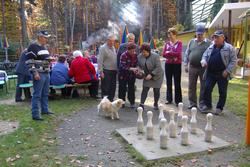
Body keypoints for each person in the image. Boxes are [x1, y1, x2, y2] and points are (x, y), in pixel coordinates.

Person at [200, 30, 237, 115]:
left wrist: (227, 71)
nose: (215, 39)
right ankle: (208, 106)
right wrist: (203, 61)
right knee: (207, 88)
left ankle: (219, 108)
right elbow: (204, 56)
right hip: (210, 72)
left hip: (222, 74)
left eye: (217, 37)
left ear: (223, 37)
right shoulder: (211, 46)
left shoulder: (229, 48)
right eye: (214, 37)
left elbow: (234, 61)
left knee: (222, 91)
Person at [26, 30, 54, 121]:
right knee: (37, 94)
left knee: (45, 93)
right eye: (45, 37)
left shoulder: (44, 47)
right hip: (39, 73)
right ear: (40, 37)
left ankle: (45, 110)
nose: (46, 39)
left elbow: (44, 60)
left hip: (46, 73)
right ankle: (35, 114)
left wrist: (49, 60)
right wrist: (35, 72)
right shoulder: (32, 46)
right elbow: (30, 61)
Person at [184, 23, 211, 110]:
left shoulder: (209, 43)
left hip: (203, 68)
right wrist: (185, 64)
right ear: (196, 33)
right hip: (192, 67)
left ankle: (202, 104)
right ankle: (192, 103)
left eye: (201, 34)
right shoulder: (191, 42)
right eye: (198, 34)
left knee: (204, 86)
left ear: (204, 33)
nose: (199, 36)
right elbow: (187, 53)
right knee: (191, 85)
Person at [137, 43, 164, 110]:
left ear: (148, 51)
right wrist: (139, 71)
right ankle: (141, 104)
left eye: (144, 52)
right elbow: (138, 65)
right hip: (146, 75)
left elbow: (158, 67)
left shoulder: (155, 56)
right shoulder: (139, 57)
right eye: (142, 52)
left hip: (157, 75)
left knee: (156, 90)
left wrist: (151, 74)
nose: (143, 54)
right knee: (145, 89)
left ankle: (155, 103)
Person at [162, 27, 182, 106]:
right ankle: (169, 99)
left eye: (171, 35)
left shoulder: (179, 43)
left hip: (177, 65)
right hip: (168, 64)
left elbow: (178, 53)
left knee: (177, 82)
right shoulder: (167, 44)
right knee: (168, 82)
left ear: (175, 35)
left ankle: (178, 100)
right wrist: (172, 54)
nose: (169, 37)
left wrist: (169, 53)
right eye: (168, 35)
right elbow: (163, 54)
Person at [98, 35, 117, 101]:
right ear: (107, 40)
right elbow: (100, 60)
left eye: (113, 41)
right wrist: (101, 71)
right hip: (106, 70)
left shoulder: (113, 47)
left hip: (114, 70)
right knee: (106, 87)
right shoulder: (103, 48)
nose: (112, 42)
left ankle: (111, 100)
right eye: (110, 41)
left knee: (113, 87)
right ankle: (104, 101)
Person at [119, 42, 138, 108]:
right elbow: (122, 66)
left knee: (131, 89)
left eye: (134, 51)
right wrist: (131, 68)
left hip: (132, 75)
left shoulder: (135, 55)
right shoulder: (123, 55)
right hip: (123, 75)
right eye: (131, 51)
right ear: (128, 50)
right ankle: (121, 103)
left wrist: (136, 70)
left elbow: (136, 64)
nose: (133, 52)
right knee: (122, 89)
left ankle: (132, 102)